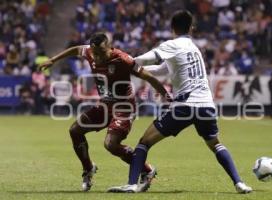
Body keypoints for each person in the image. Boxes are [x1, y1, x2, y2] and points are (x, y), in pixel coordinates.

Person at [108, 10, 252, 194]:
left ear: (171, 28)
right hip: (206, 105)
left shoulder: (173, 44)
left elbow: (149, 57)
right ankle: (239, 183)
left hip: (184, 106)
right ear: (191, 28)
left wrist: (126, 63)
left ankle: (131, 184)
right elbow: (161, 69)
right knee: (215, 144)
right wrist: (136, 69)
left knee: (144, 142)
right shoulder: (193, 48)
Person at [38, 32, 170, 192]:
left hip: (124, 107)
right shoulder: (90, 52)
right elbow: (75, 49)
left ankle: (147, 170)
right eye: (95, 53)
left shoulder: (123, 59)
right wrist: (53, 60)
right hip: (105, 106)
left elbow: (147, 76)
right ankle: (88, 168)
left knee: (111, 145)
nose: (97, 57)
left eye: (100, 53)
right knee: (75, 130)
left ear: (109, 48)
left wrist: (165, 95)